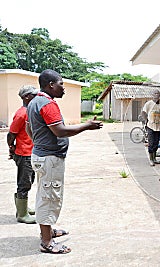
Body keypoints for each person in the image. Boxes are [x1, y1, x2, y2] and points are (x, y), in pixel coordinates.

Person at [26, 69, 102, 254]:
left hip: (43, 156)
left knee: (46, 194)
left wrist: (39, 143)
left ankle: (48, 231)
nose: (64, 88)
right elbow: (60, 131)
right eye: (61, 84)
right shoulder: (47, 104)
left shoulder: (34, 101)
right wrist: (87, 126)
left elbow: (29, 129)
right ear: (51, 85)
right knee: (49, 198)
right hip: (49, 159)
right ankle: (46, 242)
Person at [7, 85, 39, 224]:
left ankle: (23, 208)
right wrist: (11, 147)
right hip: (24, 153)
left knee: (29, 181)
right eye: (34, 95)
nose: (37, 97)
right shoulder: (22, 113)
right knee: (24, 183)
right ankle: (22, 214)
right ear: (26, 97)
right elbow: (11, 134)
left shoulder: (30, 111)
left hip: (30, 152)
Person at [141, 89, 160, 166]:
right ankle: (151, 159)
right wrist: (146, 121)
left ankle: (154, 158)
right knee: (151, 143)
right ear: (152, 95)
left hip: (158, 127)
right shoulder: (148, 104)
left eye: (158, 93)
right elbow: (143, 113)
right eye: (155, 93)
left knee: (156, 143)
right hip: (150, 126)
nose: (157, 95)